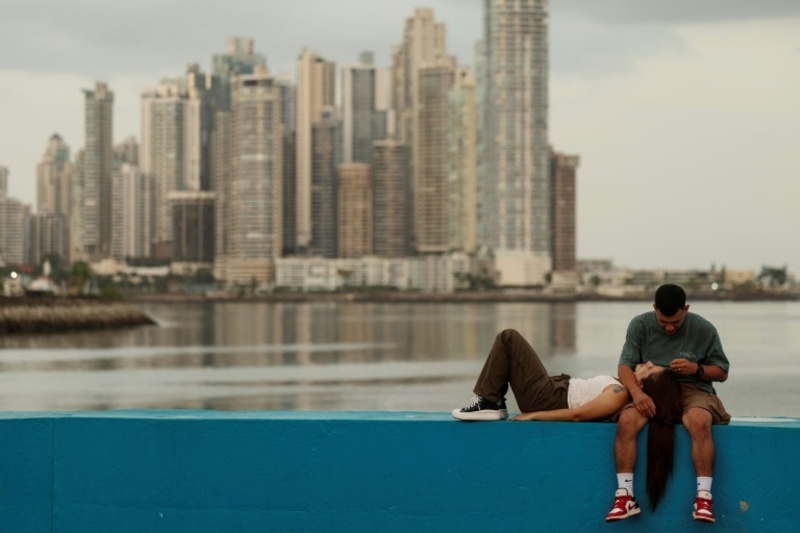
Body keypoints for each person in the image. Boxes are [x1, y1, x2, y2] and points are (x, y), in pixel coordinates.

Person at [605, 284, 731, 524]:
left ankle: (704, 498)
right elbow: (624, 367)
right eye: (663, 322)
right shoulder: (640, 325)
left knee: (699, 421)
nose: (669, 328)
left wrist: (697, 369)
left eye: (676, 322)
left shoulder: (704, 328)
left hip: (693, 389)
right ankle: (625, 496)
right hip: (653, 390)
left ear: (686, 309)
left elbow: (722, 372)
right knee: (627, 421)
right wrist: (636, 393)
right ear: (654, 308)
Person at [452, 328, 630, 422]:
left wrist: (534, 415)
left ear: (642, 383)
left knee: (508, 337)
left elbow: (577, 415)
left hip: (547, 398)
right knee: (509, 342)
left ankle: (488, 402)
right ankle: (494, 401)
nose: (643, 364)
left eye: (645, 367)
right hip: (550, 391)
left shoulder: (619, 392)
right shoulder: (619, 385)